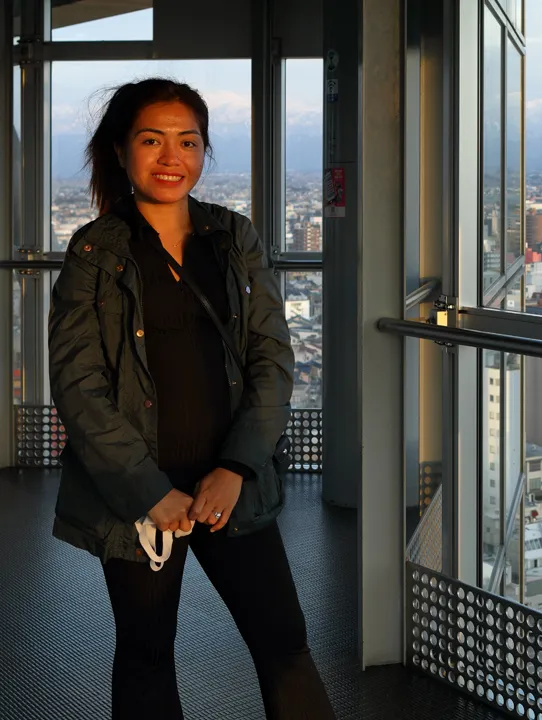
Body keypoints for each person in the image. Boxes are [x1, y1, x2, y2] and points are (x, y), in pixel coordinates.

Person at [47, 78, 337, 720]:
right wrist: (146, 490)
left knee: (284, 642)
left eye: (188, 141)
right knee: (147, 652)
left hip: (230, 484)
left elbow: (272, 359)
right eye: (152, 140)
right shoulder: (95, 251)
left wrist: (236, 469)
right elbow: (78, 384)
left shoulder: (234, 239)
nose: (171, 156)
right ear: (121, 150)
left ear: (204, 151)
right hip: (139, 497)